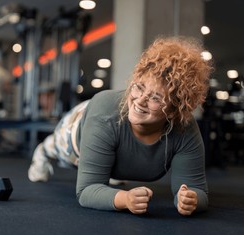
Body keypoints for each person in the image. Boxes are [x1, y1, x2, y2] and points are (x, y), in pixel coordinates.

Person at [28, 36, 213, 216]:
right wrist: (125, 199)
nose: (140, 101)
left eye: (156, 98)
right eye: (139, 87)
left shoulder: (185, 129)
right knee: (53, 147)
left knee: (108, 163)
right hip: (81, 122)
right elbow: (86, 191)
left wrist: (191, 199)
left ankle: (110, 167)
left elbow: (197, 191)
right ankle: (41, 152)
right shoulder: (104, 114)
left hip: (110, 131)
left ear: (174, 110)